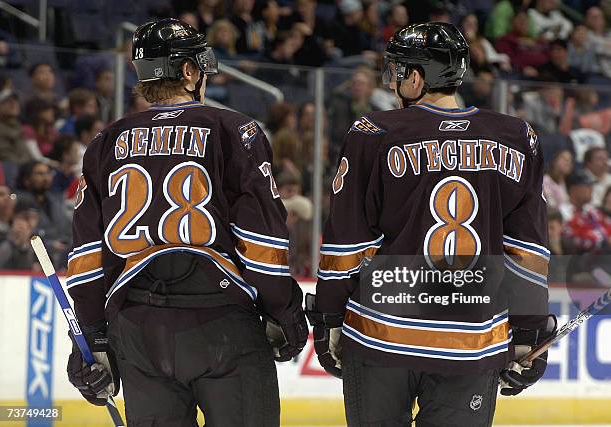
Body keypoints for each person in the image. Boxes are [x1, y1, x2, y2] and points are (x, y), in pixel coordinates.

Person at [307, 23, 554, 426]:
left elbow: (346, 243)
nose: (394, 80)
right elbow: (527, 251)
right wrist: (528, 329)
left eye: (399, 71)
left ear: (417, 77)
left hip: (382, 335)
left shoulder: (374, 133)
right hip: (471, 341)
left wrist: (330, 316)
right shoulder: (516, 137)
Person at [64, 19, 307, 426]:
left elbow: (87, 251)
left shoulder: (105, 141)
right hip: (222, 323)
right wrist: (284, 308)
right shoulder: (233, 130)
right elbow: (261, 237)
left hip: (137, 330)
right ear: (190, 72)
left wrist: (92, 332)